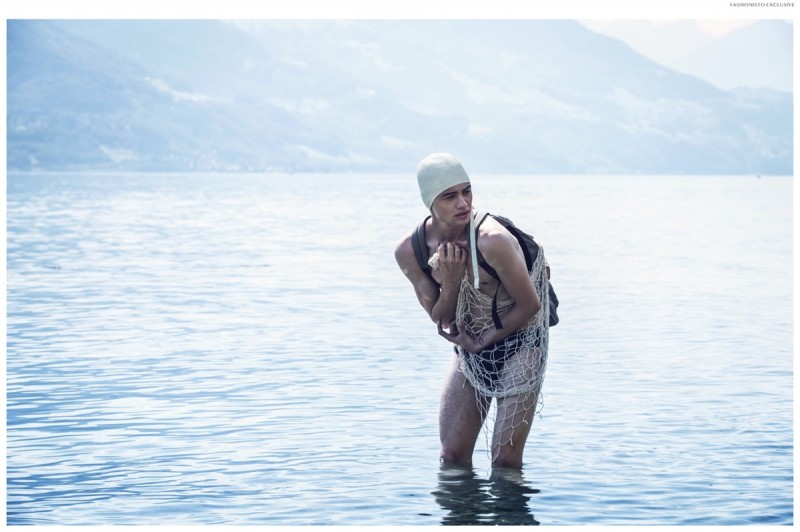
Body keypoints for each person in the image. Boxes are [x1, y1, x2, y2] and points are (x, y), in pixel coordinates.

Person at [394, 153, 550, 469]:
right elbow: (441, 318)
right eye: (450, 196)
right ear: (429, 202)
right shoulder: (411, 250)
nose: (463, 202)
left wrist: (486, 338)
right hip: (469, 348)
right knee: (451, 455)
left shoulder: (492, 240)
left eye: (467, 191)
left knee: (505, 461)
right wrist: (450, 281)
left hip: (521, 342)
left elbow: (530, 304)